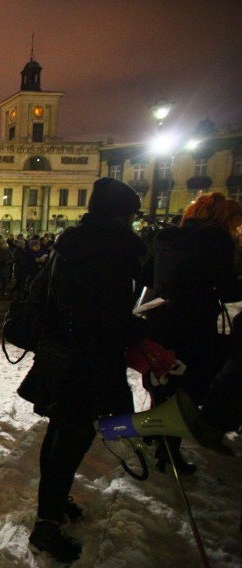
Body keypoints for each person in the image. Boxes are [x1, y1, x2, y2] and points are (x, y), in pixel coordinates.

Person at [20, 178, 148, 563]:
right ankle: (46, 526)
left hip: (60, 357)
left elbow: (37, 295)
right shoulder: (111, 254)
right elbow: (110, 321)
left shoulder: (68, 246)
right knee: (71, 441)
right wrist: (140, 326)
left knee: (59, 434)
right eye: (130, 216)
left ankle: (54, 505)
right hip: (90, 363)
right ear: (119, 217)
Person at [146, 192, 242, 472]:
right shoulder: (216, 241)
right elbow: (226, 290)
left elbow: (149, 276)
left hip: (161, 318)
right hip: (193, 323)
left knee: (164, 379)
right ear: (223, 218)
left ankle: (155, 431)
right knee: (188, 385)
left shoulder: (167, 238)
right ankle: (169, 449)